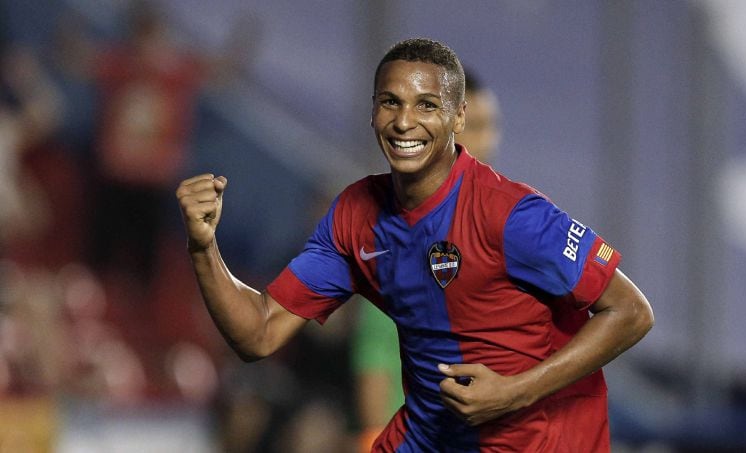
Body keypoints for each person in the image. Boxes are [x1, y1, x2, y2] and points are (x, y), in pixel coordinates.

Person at [176, 38, 654, 451]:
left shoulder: (513, 214)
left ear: (458, 116)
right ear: (372, 112)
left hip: (543, 440)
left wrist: (517, 392)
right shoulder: (355, 215)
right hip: (429, 437)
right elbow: (258, 333)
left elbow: (631, 312)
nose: (405, 121)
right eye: (390, 102)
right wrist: (204, 247)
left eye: (426, 105)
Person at [350, 68, 501, 452]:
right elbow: (376, 355)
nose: (488, 142)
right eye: (476, 126)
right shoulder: (397, 238)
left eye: (491, 126)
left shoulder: (508, 226)